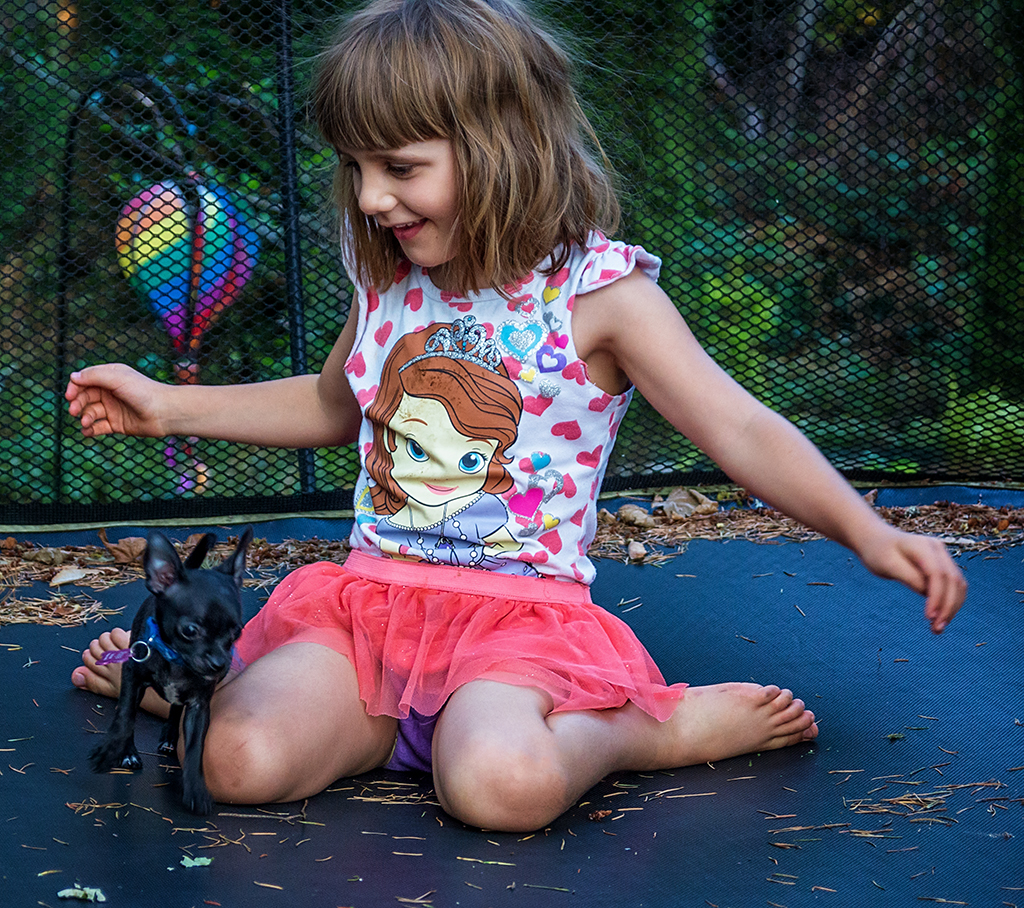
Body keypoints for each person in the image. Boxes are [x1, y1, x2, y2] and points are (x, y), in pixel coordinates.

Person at [66, 0, 965, 833]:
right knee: (233, 761)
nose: (373, 198)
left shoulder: (601, 295)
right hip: (367, 612)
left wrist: (865, 528)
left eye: (401, 168)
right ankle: (217, 691)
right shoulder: (389, 279)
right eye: (358, 168)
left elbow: (740, 428)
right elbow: (336, 404)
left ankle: (645, 730)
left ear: (502, 147)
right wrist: (166, 404)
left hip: (518, 624)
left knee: (501, 787)